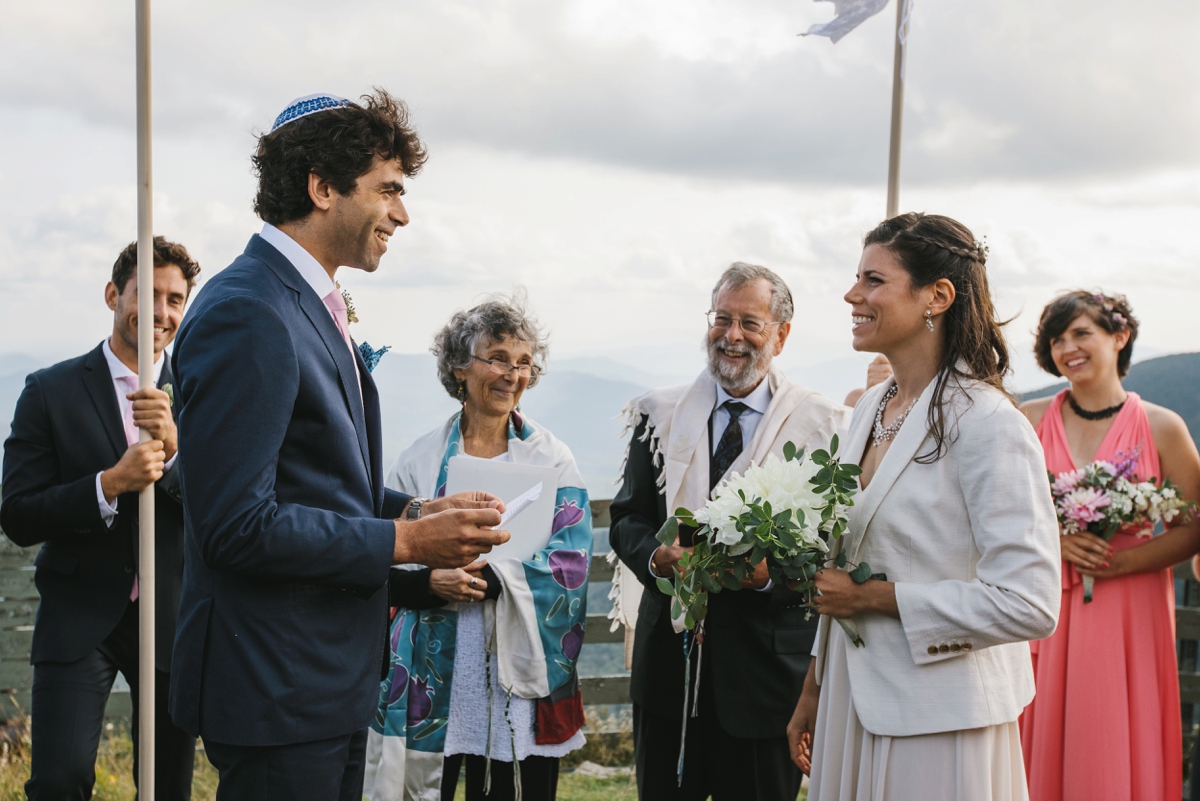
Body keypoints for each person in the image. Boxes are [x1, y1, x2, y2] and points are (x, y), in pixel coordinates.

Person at [168, 91, 509, 800]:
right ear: (322, 187)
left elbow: (313, 478)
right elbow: (235, 524)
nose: (403, 213)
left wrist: (416, 509)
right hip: (277, 687)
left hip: (319, 682)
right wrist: (407, 542)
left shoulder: (298, 299)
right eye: (388, 189)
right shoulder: (249, 311)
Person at [787, 213, 1062, 800]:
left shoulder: (989, 424)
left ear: (937, 296)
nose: (851, 294)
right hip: (849, 702)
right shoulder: (867, 410)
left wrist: (872, 598)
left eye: (873, 280)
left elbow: (1029, 602)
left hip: (940, 718)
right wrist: (816, 684)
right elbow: (845, 555)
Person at [608, 262, 850, 801]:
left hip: (766, 679)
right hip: (670, 671)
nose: (731, 336)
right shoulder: (660, 415)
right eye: (722, 319)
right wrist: (656, 559)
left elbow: (835, 548)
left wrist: (769, 578)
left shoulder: (821, 427)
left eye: (750, 322)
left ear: (781, 336)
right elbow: (628, 518)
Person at [364, 294, 590, 801]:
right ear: (460, 369)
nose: (512, 374)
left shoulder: (553, 459)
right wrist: (428, 582)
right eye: (498, 358)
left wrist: (491, 580)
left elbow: (571, 563)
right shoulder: (418, 460)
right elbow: (381, 556)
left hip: (517, 659)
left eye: (524, 362)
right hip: (434, 663)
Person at [1, 237, 200, 801]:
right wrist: (108, 485)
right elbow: (17, 514)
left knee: (166, 788)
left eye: (176, 299)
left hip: (170, 617)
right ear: (114, 294)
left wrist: (178, 454)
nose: (161, 312)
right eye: (149, 294)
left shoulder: (200, 394)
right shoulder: (49, 391)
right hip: (79, 616)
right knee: (59, 781)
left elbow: (224, 506)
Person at [1018, 291, 1200, 801]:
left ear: (1119, 338)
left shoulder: (1163, 427)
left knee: (1113, 729)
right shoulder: (1029, 420)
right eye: (1056, 339)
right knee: (1042, 723)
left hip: (1129, 606)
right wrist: (1056, 538)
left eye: (1081, 333)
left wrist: (1120, 563)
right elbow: (995, 511)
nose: (1067, 348)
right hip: (1045, 598)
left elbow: (1193, 526)